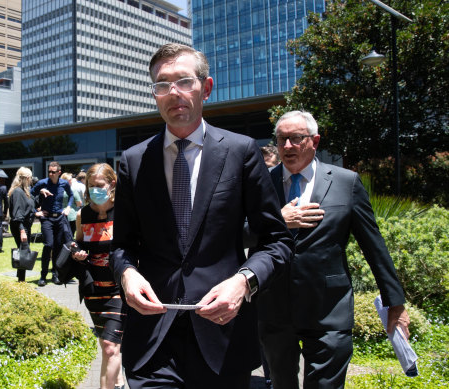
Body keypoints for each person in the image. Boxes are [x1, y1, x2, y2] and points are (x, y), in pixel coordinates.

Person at [110, 43, 293, 389]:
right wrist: (128, 275)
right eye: (162, 85)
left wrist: (244, 282)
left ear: (206, 88)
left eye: (184, 81)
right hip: (153, 340)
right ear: (154, 94)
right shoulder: (133, 161)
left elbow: (277, 241)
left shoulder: (241, 152)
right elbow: (121, 246)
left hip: (222, 336)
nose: (173, 93)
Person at [256, 110, 410, 389]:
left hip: (329, 308)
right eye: (281, 140)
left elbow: (373, 245)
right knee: (281, 383)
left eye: (296, 138)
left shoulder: (345, 182)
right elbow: (237, 232)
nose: (287, 146)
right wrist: (280, 219)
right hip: (275, 308)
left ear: (314, 141)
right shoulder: (261, 182)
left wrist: (395, 304)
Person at [72, 163, 125, 389]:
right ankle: (118, 380)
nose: (95, 189)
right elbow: (78, 241)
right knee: (109, 343)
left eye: (99, 185)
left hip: (119, 289)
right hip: (93, 289)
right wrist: (76, 252)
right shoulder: (82, 214)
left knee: (109, 347)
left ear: (112, 184)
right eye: (91, 185)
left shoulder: (125, 211)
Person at [31, 161, 74, 286]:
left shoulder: (64, 183)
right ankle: (43, 275)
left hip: (60, 218)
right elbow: (29, 195)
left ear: (59, 173)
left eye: (53, 172)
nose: (51, 174)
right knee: (48, 244)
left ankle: (55, 274)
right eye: (49, 171)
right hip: (47, 219)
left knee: (58, 246)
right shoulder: (42, 183)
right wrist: (35, 212)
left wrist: (68, 207)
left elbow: (71, 195)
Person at [8, 167, 40, 282]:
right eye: (30, 178)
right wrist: (22, 231)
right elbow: (18, 214)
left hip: (24, 225)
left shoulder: (24, 191)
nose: (31, 180)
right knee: (24, 252)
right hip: (20, 226)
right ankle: (21, 280)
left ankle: (20, 278)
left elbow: (30, 205)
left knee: (23, 251)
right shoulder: (18, 192)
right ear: (27, 178)